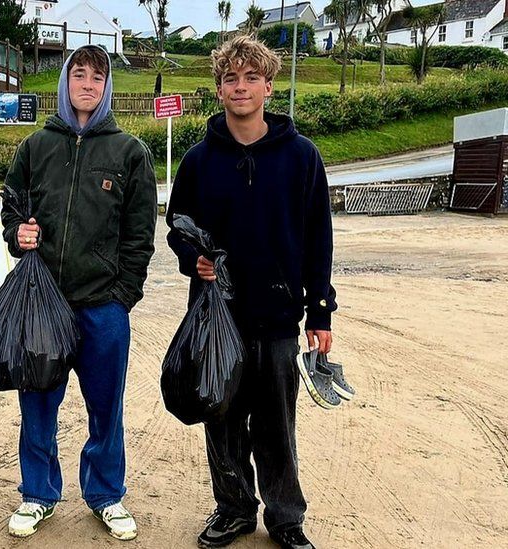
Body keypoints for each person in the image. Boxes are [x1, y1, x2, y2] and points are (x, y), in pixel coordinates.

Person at [165, 36, 337, 549]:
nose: (240, 87)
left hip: (279, 317)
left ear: (267, 84)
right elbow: (178, 224)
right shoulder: (198, 160)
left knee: (277, 427)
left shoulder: (302, 157)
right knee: (220, 419)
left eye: (250, 78)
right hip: (217, 318)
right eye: (230, 79)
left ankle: (285, 518)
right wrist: (189, 258)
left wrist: (320, 312)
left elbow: (318, 238)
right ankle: (234, 508)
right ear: (219, 89)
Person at [0, 44, 157, 541]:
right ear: (66, 81)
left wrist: (122, 295)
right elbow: (11, 208)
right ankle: (38, 493)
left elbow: (140, 234)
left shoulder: (129, 152)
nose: (87, 84)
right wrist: (16, 234)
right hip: (44, 303)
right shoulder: (36, 146)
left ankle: (106, 494)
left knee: (105, 405)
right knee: (38, 401)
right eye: (79, 74)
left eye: (97, 77)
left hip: (103, 308)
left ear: (107, 86)